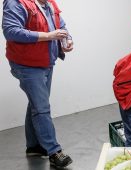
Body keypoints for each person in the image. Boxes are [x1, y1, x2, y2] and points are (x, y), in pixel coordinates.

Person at [2, 0, 73, 168]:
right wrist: (49, 36)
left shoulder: (49, 3)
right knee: (41, 108)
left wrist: (67, 40)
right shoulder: (15, 3)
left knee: (36, 104)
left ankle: (34, 146)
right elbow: (11, 31)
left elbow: (61, 26)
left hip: (45, 62)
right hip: (27, 65)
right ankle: (54, 152)